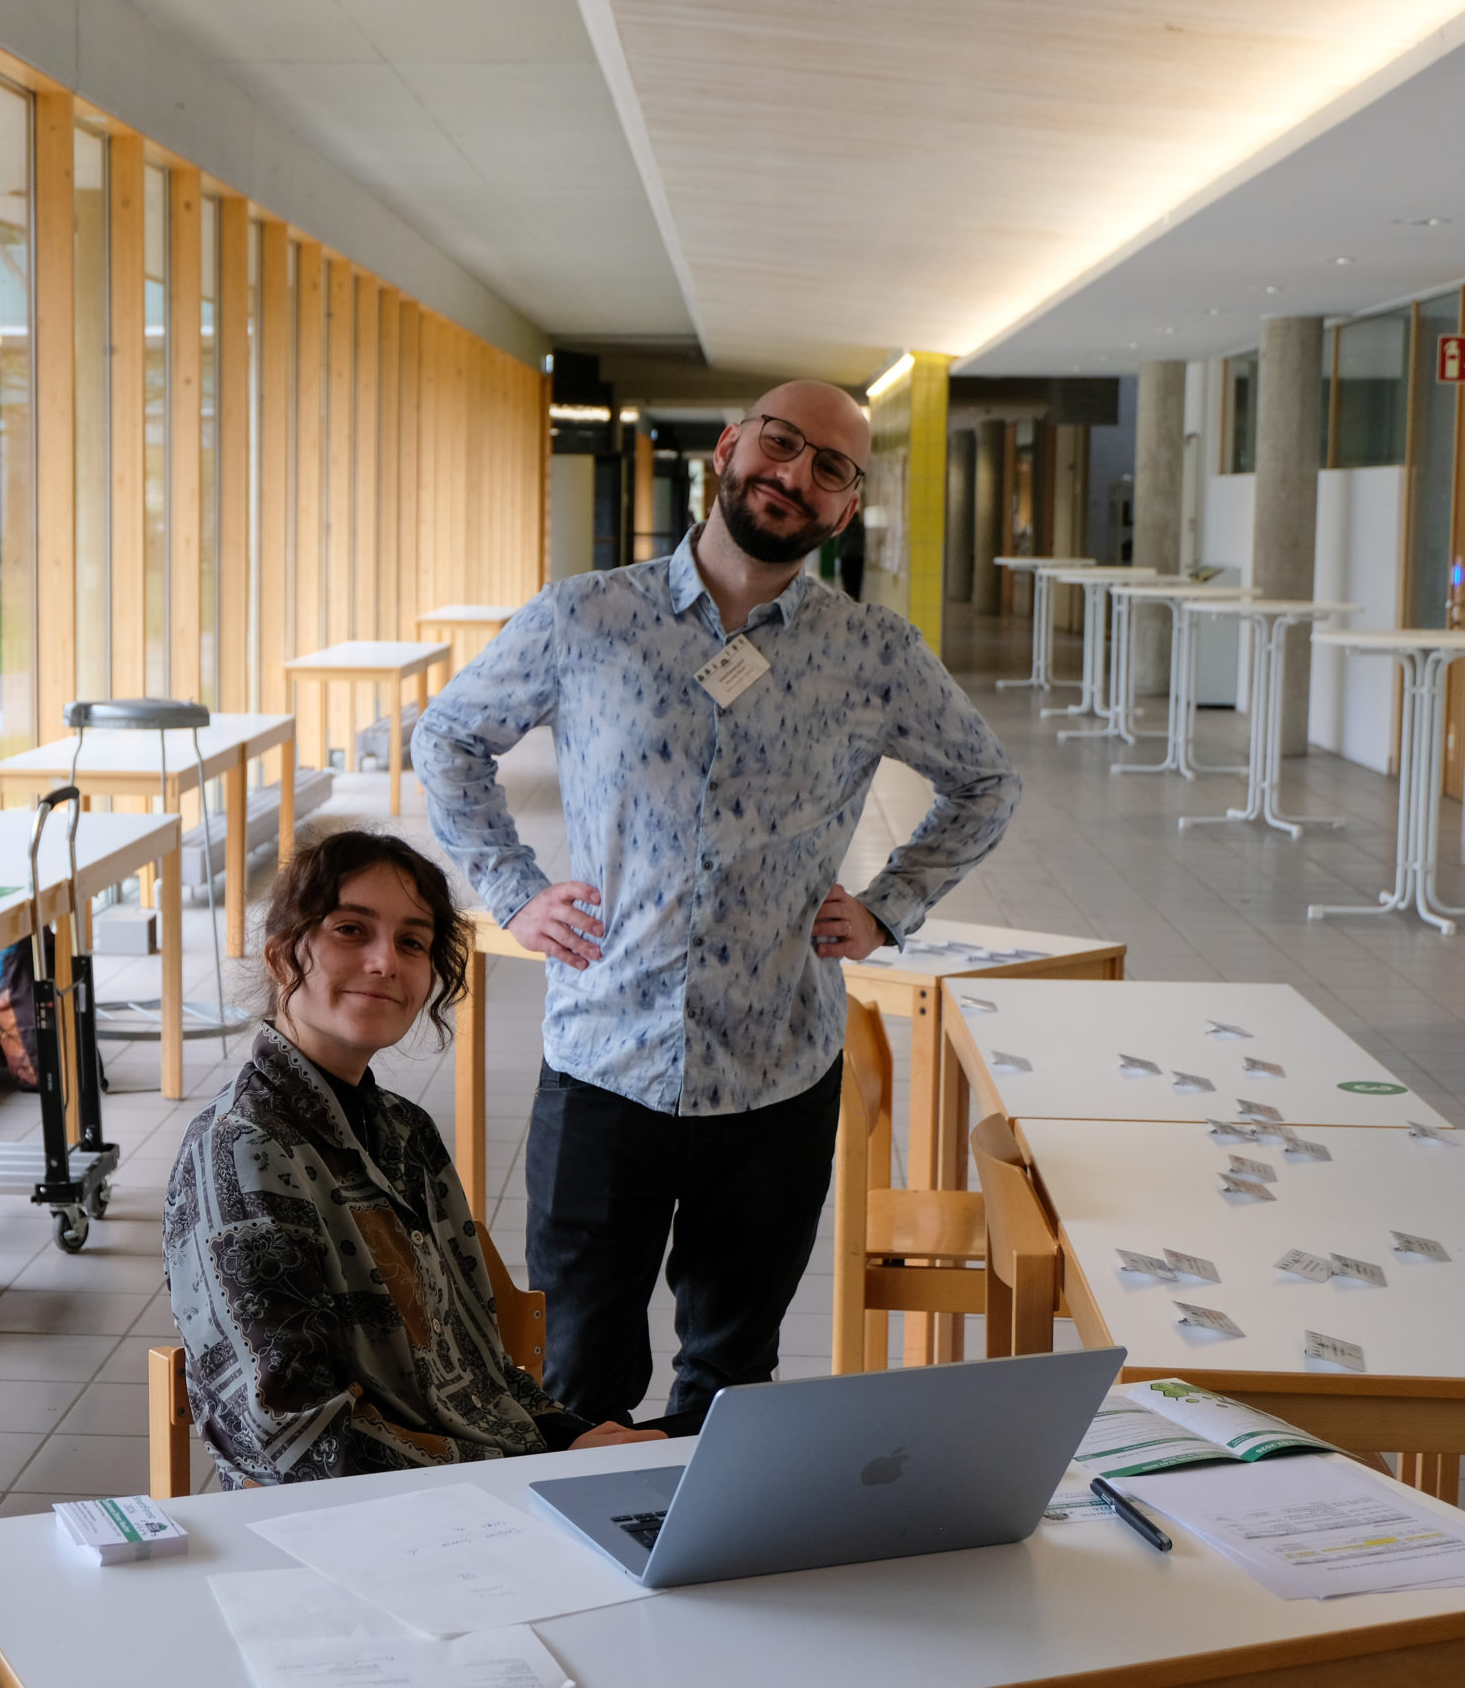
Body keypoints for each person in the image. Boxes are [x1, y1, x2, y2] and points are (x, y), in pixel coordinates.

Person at [411, 379, 1023, 1429]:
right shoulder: (584, 616)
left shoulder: (872, 655)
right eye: (780, 445)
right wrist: (512, 892)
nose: (795, 475)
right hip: (603, 1066)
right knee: (578, 1382)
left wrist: (889, 907)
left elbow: (986, 783)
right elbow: (447, 738)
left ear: (844, 509)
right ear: (729, 449)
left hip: (774, 1080)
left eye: (830, 468)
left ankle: (707, 1573)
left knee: (732, 1381)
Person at [163, 829, 665, 1487]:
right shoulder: (241, 1152)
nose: (384, 962)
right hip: (353, 1525)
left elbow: (479, 1366)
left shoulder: (405, 1129)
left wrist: (572, 1435)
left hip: (483, 1484)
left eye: (412, 941)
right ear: (284, 954)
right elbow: (293, 1441)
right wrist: (535, 1467)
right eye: (351, 929)